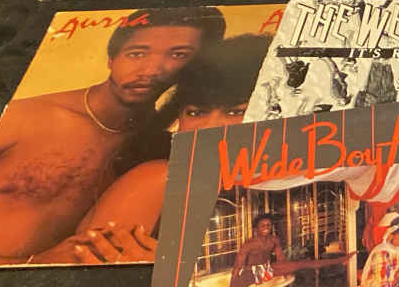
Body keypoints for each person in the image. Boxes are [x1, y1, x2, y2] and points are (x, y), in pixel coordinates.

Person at [0, 6, 225, 266]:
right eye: (137, 53)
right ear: (111, 58)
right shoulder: (20, 118)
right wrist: (33, 264)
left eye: (178, 55)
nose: (152, 69)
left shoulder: (157, 151)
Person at [63, 33, 273, 264]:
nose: (209, 127)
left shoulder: (268, 185)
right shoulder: (159, 180)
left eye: (236, 112)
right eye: (196, 113)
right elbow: (76, 270)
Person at [208, 214, 287, 287]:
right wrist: (233, 286)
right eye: (262, 226)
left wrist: (285, 273)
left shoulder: (274, 240)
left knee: (293, 266)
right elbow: (237, 266)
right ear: (256, 228)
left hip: (266, 269)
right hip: (251, 271)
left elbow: (281, 257)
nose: (266, 228)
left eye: (268, 225)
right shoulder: (249, 245)